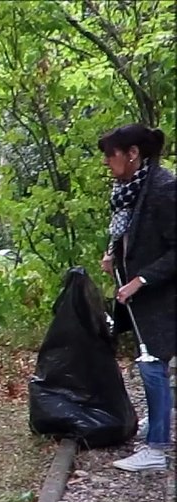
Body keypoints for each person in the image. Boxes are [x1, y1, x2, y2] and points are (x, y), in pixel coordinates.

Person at [97, 123, 174, 472]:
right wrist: (114, 253)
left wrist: (140, 279)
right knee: (149, 364)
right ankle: (156, 425)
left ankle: (156, 449)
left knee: (153, 366)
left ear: (132, 154)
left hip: (162, 296)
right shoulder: (132, 187)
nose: (106, 163)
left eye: (111, 156)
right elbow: (130, 230)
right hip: (142, 297)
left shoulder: (163, 188)